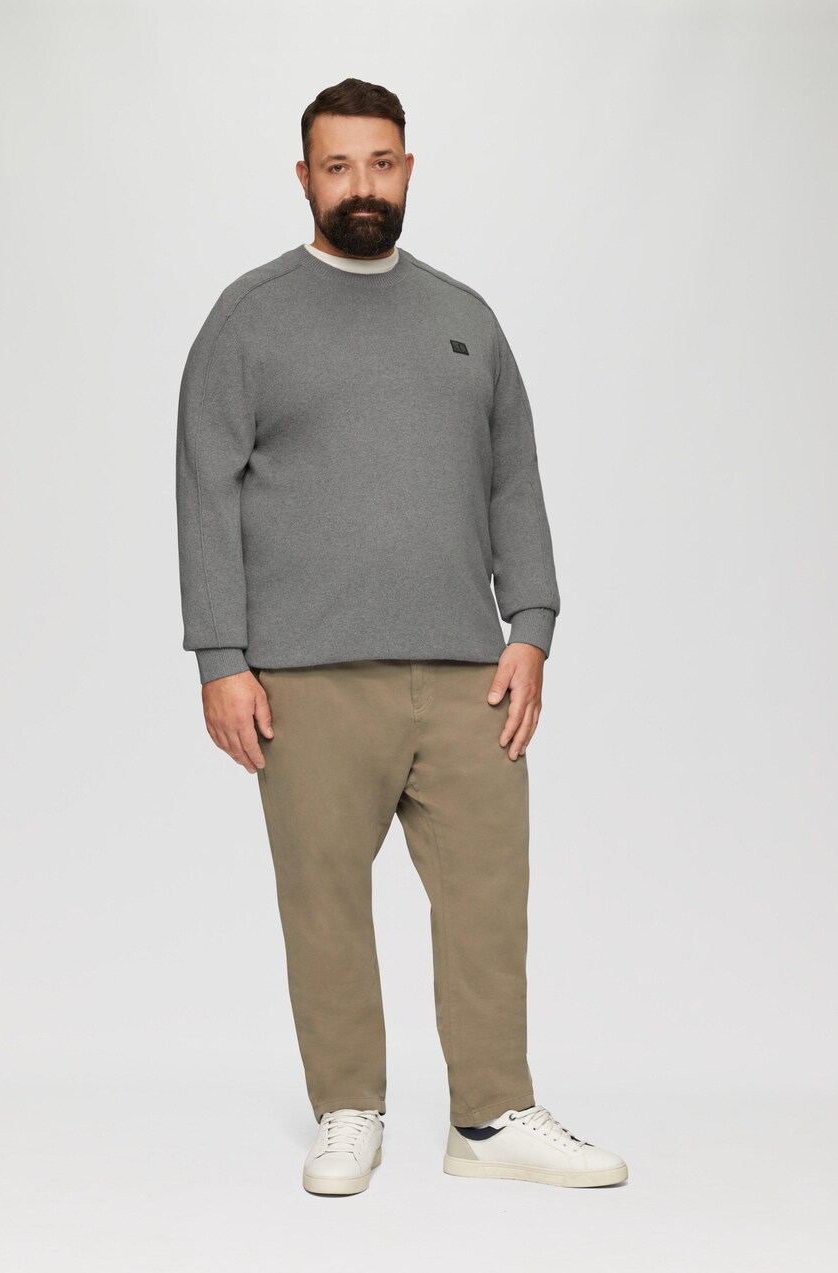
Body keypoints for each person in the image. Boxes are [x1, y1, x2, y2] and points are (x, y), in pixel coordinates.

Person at [175, 76, 627, 1196]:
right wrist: (221, 658)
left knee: (489, 896)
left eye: (380, 163)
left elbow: (513, 478)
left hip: (470, 671)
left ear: (409, 169)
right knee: (324, 899)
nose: (361, 186)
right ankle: (349, 1109)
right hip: (307, 676)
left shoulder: (466, 317)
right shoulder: (251, 317)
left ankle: (490, 1115)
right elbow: (204, 487)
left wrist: (531, 625)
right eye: (338, 166)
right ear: (304, 178)